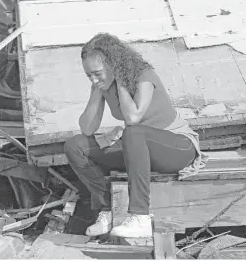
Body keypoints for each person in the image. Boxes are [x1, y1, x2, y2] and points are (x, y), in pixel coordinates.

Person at [64, 33, 207, 238]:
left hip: (177, 148)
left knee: (133, 132)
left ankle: (140, 217)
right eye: (89, 75)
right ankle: (107, 210)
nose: (94, 80)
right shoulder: (101, 85)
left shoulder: (144, 75)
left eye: (97, 73)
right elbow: (87, 129)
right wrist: (98, 91)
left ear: (113, 65)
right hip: (139, 149)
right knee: (75, 145)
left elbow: (132, 118)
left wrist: (121, 80)